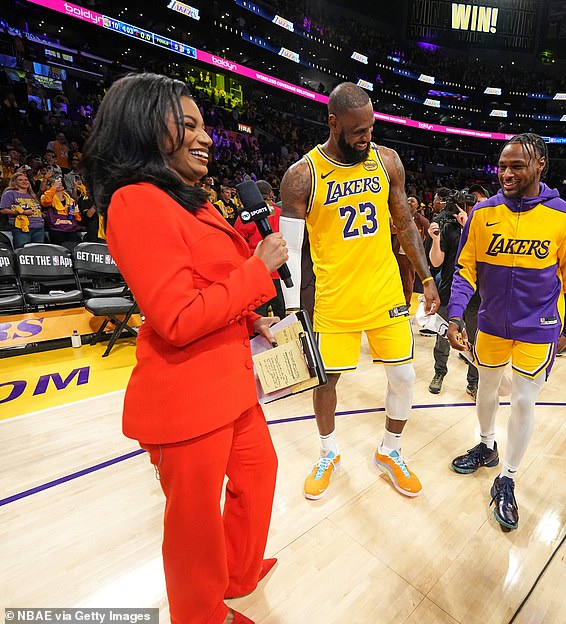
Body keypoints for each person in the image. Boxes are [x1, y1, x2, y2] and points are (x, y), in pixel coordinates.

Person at [81, 73, 288, 624]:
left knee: (258, 473)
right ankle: (200, 613)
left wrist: (251, 320)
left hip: (230, 377)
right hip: (189, 393)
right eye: (189, 124)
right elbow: (174, 317)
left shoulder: (191, 200)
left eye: (204, 125)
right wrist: (256, 270)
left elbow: (209, 284)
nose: (206, 137)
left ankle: (237, 574)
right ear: (148, 128)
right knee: (193, 522)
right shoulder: (135, 202)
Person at [279, 82, 439, 500]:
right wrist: (295, 311)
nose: (367, 137)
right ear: (333, 123)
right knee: (326, 381)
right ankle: (328, 452)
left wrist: (425, 278)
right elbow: (290, 250)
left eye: (370, 127)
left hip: (384, 293)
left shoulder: (386, 161)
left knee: (404, 375)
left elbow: (403, 222)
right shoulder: (301, 176)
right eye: (357, 131)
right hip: (333, 300)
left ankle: (390, 451)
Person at [446, 133, 566, 530]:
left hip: (538, 328)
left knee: (523, 400)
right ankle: (486, 444)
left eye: (516, 166)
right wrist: (456, 316)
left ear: (540, 164)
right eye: (502, 165)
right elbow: (465, 270)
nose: (505, 173)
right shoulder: (483, 213)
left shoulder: (565, 216)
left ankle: (506, 477)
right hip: (490, 322)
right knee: (486, 388)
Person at [426, 190, 479, 398]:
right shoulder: (448, 228)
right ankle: (439, 373)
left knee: (474, 341)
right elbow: (436, 262)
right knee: (443, 338)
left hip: (476, 296)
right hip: (450, 291)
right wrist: (435, 239)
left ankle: (473, 383)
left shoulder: (482, 229)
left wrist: (469, 228)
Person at [234, 179, 286, 319]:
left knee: (258, 318)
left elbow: (236, 246)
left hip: (257, 273)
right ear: (270, 194)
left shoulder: (245, 217)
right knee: (283, 317)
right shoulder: (280, 213)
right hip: (280, 274)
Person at [0, 171, 46, 247]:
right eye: (20, 180)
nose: (24, 181)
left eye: (26, 180)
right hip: (21, 228)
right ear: (15, 182)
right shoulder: (9, 193)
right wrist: (23, 212)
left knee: (37, 253)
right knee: (23, 252)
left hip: (39, 227)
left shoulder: (32, 195)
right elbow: (3, 210)